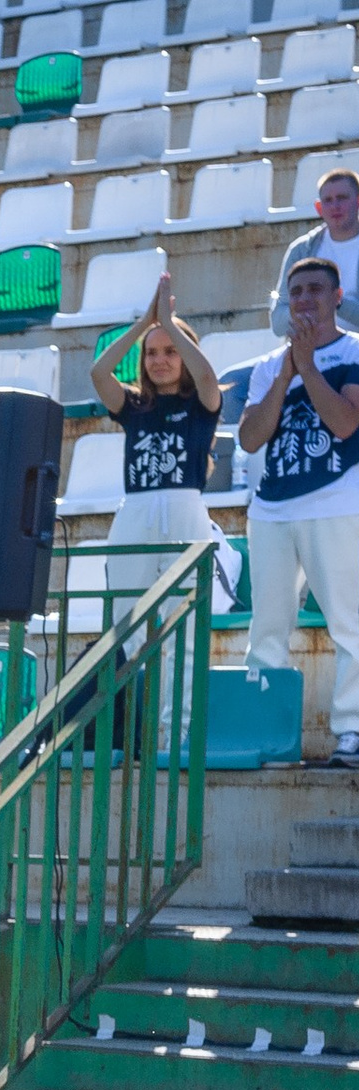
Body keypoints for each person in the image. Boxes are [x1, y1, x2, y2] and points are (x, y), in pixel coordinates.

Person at [241, 255, 359, 769]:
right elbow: (249, 437)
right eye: (296, 291)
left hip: (337, 504)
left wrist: (308, 367)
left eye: (315, 289)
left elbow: (345, 424)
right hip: (271, 509)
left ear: (337, 296)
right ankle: (263, 733)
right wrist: (288, 366)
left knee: (349, 624)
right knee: (266, 626)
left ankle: (352, 730)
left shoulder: (354, 351)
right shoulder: (268, 364)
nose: (305, 299)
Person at [90, 276, 231, 609]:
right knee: (127, 610)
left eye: (171, 351)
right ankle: (132, 663)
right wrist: (144, 323)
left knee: (185, 611)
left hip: (185, 509)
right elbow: (99, 373)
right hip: (136, 510)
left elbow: (208, 377)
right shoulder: (133, 404)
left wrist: (167, 323)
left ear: (185, 354)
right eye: (151, 353)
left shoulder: (201, 403)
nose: (159, 360)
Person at [270, 164, 359, 338]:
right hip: (308, 353)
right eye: (328, 200)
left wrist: (335, 302)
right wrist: (307, 306)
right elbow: (278, 323)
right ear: (319, 208)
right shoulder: (301, 250)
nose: (335, 206)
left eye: (342, 198)